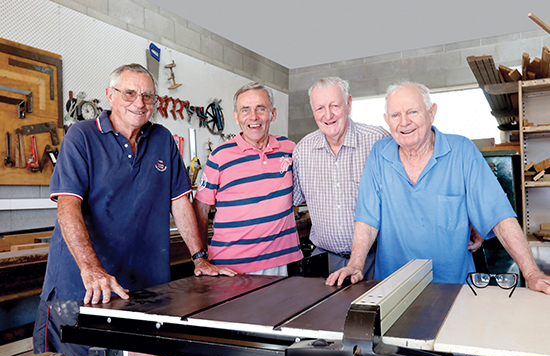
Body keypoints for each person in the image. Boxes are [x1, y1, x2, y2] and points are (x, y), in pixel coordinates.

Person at [33, 64, 231, 356]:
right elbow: (67, 206)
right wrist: (91, 269)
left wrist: (200, 257)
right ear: (110, 96)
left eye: (147, 96)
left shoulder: (162, 139)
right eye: (129, 93)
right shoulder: (81, 136)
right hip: (84, 281)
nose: (139, 102)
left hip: (143, 283)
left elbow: (180, 201)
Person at [326, 81, 550, 295]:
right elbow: (367, 219)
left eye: (412, 112)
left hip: (454, 289)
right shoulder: (379, 154)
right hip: (391, 287)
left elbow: (499, 215)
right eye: (395, 115)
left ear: (431, 112)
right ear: (387, 120)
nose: (404, 122)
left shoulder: (462, 151)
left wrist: (531, 273)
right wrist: (355, 264)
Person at [193, 82, 302, 275]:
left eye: (261, 109)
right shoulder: (219, 156)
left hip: (279, 262)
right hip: (229, 267)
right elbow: (200, 208)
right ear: (236, 117)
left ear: (273, 114)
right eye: (245, 110)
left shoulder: (289, 149)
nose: (253, 117)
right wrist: (200, 258)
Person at [292, 77, 391, 278]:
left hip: (375, 259)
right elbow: (288, 201)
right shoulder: (302, 150)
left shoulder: (378, 140)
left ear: (348, 103)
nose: (328, 115)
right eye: (320, 108)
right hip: (323, 260)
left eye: (334, 105)